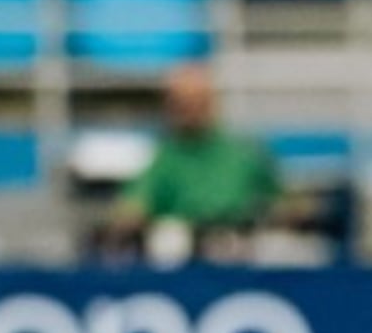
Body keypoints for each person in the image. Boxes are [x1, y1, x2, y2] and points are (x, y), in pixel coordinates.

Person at [110, 67, 284, 254]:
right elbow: (132, 207)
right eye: (181, 103)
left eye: (196, 101)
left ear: (212, 103)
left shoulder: (244, 153)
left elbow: (282, 202)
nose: (189, 109)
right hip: (182, 255)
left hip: (241, 251)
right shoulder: (162, 159)